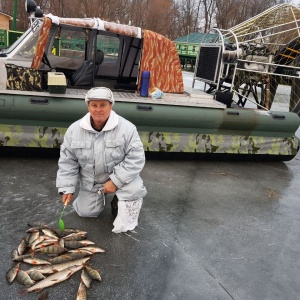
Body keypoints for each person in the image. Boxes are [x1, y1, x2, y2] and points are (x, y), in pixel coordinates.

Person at [56, 87, 147, 233]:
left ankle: (119, 201)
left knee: (134, 190)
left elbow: (136, 158)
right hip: (92, 183)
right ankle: (94, 200)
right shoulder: (74, 130)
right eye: (94, 105)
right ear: (88, 107)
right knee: (86, 212)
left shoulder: (128, 128)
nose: (98, 109)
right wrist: (67, 187)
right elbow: (68, 161)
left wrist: (115, 181)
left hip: (123, 181)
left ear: (111, 105)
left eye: (103, 105)